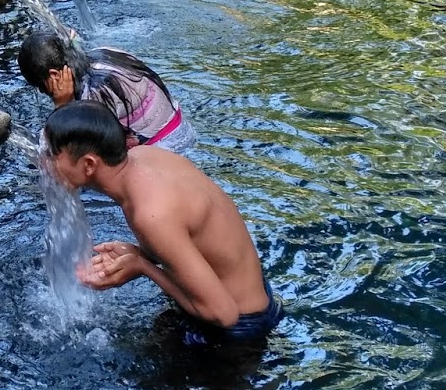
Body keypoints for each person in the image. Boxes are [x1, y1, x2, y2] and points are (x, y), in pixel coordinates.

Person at [42, 102, 283, 342]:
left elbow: (223, 314)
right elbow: (191, 236)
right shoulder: (147, 156)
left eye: (51, 155)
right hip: (254, 293)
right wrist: (141, 254)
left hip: (240, 327)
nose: (43, 163)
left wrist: (142, 267)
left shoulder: (150, 214)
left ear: (88, 165)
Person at [18, 30, 193, 150]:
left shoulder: (93, 96)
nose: (42, 92)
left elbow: (53, 151)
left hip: (166, 151)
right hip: (183, 130)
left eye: (41, 86)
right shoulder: (104, 53)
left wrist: (62, 107)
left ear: (54, 75)